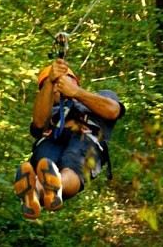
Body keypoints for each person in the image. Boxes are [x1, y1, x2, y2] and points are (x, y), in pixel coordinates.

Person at [14, 59, 125, 219]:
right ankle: (34, 194)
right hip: (51, 139)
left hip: (86, 138)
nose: (55, 88)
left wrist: (75, 92)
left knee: (73, 163)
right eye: (48, 85)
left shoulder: (100, 97)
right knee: (45, 162)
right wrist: (50, 82)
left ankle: (57, 186)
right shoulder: (47, 110)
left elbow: (113, 111)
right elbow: (38, 124)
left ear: (73, 81)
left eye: (59, 81)